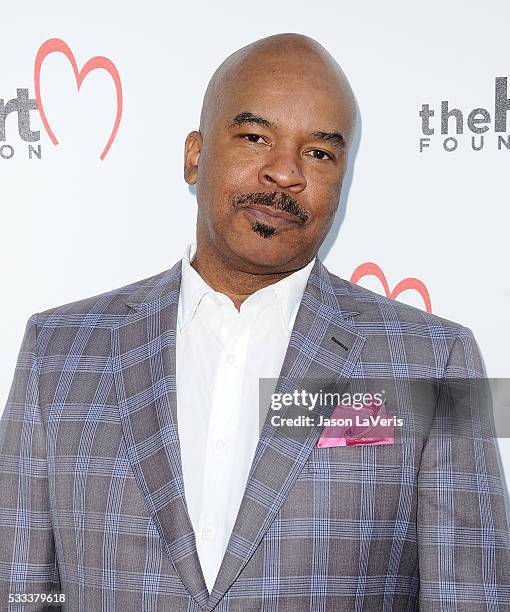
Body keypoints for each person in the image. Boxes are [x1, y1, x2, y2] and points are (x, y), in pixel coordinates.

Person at [1, 33, 509, 611]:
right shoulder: (58, 351)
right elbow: (22, 586)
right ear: (195, 155)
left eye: (319, 153)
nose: (285, 173)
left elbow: (472, 595)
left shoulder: (437, 360)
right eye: (254, 137)